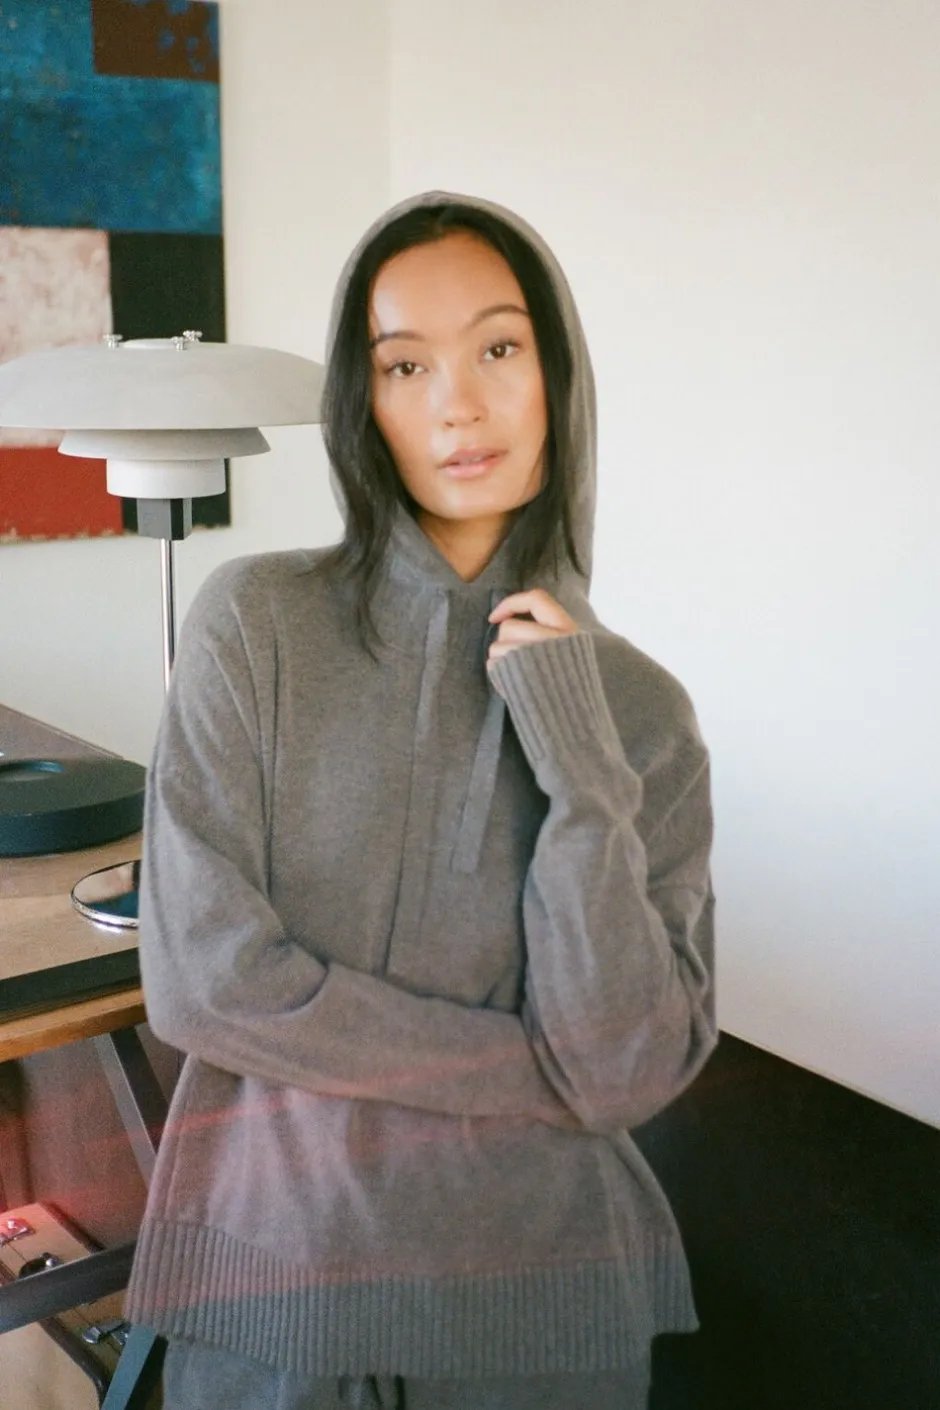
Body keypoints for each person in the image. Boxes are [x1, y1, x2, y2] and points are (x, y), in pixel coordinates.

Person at [124, 192, 718, 1409]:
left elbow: (622, 1066)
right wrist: (536, 1076)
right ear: (366, 403)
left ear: (557, 376)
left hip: (542, 1311)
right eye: (406, 365)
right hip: (278, 1285)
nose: (458, 404)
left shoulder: (640, 709)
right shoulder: (253, 623)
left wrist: (581, 770)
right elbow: (204, 984)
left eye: (498, 348)